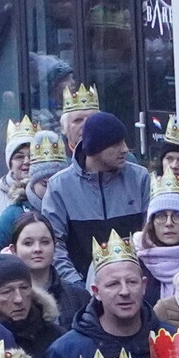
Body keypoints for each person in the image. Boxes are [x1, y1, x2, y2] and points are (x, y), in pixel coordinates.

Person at [31, 233, 170, 358]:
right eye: (113, 284)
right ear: (96, 291)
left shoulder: (169, 341)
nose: (124, 291)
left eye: (132, 282)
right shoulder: (66, 352)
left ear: (144, 285)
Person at [44, 114, 151, 290]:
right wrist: (77, 286)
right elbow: (54, 245)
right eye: (116, 144)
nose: (125, 149)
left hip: (134, 289)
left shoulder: (140, 178)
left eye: (124, 142)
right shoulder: (59, 186)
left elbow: (151, 236)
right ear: (95, 147)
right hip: (81, 291)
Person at [137, 173, 179, 302]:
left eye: (178, 215)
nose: (169, 223)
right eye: (160, 216)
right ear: (152, 222)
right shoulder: (136, 263)